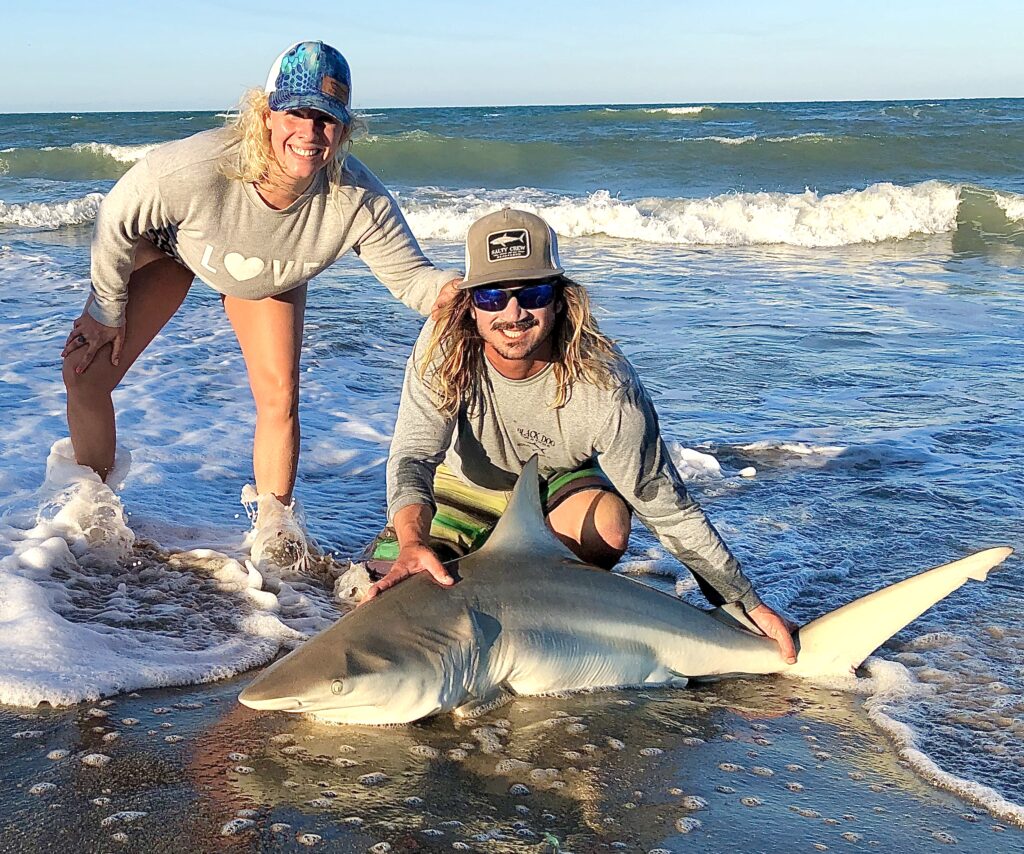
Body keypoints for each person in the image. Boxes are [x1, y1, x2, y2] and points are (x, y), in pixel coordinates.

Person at [60, 41, 460, 563]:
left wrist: (478, 294)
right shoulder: (197, 168)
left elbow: (416, 283)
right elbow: (117, 216)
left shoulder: (357, 199)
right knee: (84, 372)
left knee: (280, 397)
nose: (311, 133)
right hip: (170, 248)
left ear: (344, 128)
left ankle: (276, 535)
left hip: (269, 272)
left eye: (327, 119)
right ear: (266, 113)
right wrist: (105, 310)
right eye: (297, 113)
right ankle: (94, 516)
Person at [364, 208, 797, 663]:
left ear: (559, 299)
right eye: (493, 296)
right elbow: (413, 456)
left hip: (556, 485)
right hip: (460, 485)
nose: (513, 313)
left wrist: (743, 602)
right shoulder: (442, 347)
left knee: (608, 525)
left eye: (531, 292)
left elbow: (662, 502)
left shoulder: (606, 385)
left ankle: (548, 633)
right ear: (470, 305)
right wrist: (412, 542)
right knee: (378, 599)